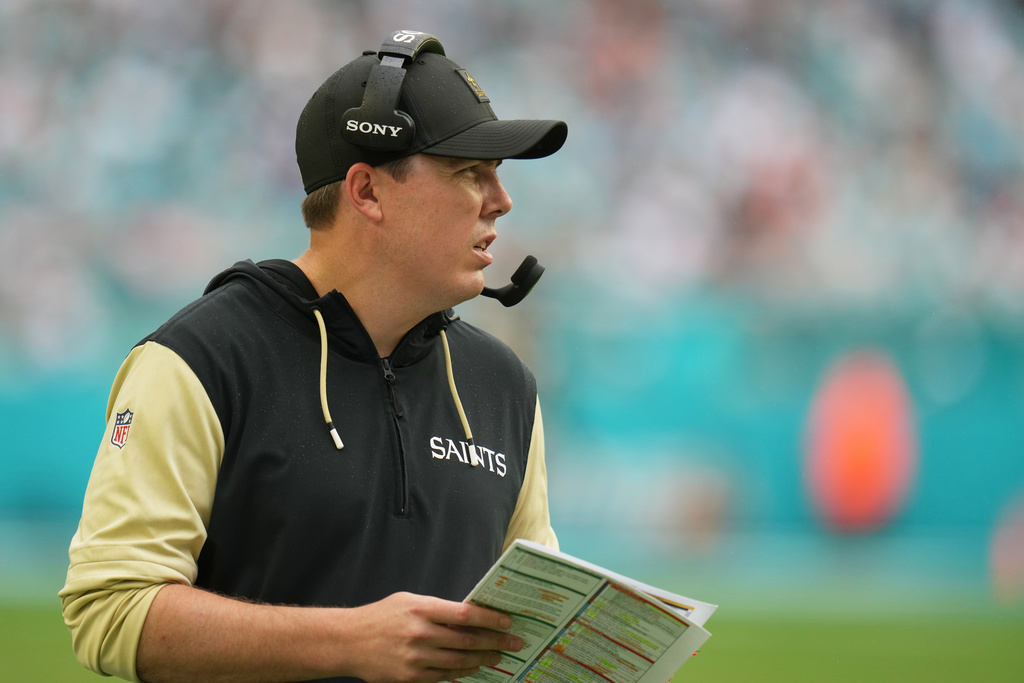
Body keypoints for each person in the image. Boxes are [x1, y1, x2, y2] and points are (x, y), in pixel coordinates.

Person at [60, 29, 568, 683]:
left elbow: (530, 630)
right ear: (366, 192)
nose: (502, 200)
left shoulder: (504, 386)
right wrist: (349, 640)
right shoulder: (199, 361)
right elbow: (111, 610)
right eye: (471, 172)